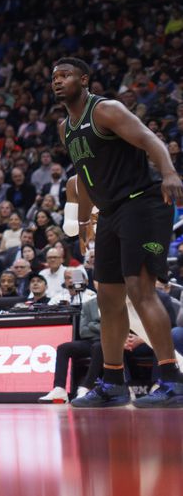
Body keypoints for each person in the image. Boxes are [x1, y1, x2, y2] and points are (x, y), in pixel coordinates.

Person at [52, 58, 183, 408]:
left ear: (84, 79)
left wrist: (169, 172)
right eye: (54, 77)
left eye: (64, 75)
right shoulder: (66, 128)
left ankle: (172, 380)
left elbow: (148, 139)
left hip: (143, 201)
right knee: (108, 299)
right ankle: (112, 383)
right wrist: (83, 224)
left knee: (141, 291)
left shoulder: (106, 110)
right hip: (110, 213)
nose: (57, 81)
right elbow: (82, 181)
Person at [42, 279, 100, 403]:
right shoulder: (89, 304)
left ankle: (86, 387)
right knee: (64, 348)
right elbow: (83, 331)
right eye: (98, 281)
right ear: (94, 284)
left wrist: (92, 325)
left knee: (98, 347)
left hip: (112, 342)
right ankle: (59, 389)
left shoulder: (119, 302)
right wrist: (100, 326)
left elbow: (117, 327)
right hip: (91, 340)